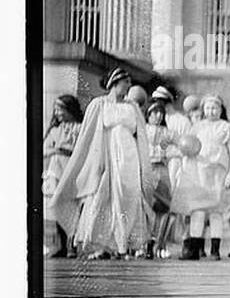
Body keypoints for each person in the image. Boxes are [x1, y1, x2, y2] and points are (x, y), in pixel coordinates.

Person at [49, 67, 154, 259]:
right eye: (126, 82)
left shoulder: (133, 107)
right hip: (108, 154)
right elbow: (88, 136)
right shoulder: (99, 104)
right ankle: (105, 245)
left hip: (129, 156)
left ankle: (123, 244)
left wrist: (142, 164)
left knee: (128, 197)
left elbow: (141, 136)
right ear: (115, 82)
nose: (128, 86)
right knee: (104, 196)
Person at [171, 94, 230, 261]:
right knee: (198, 210)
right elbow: (187, 146)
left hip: (217, 173)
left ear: (221, 110)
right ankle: (194, 248)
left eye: (215, 108)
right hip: (199, 173)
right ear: (203, 110)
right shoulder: (197, 127)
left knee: (215, 212)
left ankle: (214, 250)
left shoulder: (225, 127)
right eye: (208, 108)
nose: (211, 111)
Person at [42, 95, 83, 257]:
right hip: (56, 169)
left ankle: (71, 244)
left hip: (72, 168)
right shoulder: (54, 130)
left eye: (61, 109)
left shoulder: (80, 128)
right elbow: (45, 149)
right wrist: (57, 150)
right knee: (56, 205)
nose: (57, 113)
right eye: (56, 109)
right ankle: (61, 243)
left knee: (72, 207)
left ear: (70, 109)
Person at [143, 101, 177, 259]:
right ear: (148, 114)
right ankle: (145, 244)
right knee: (146, 206)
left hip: (162, 170)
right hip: (146, 169)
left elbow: (176, 146)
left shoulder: (167, 132)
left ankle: (160, 243)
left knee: (163, 207)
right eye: (154, 112)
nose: (158, 116)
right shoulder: (142, 129)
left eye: (160, 113)